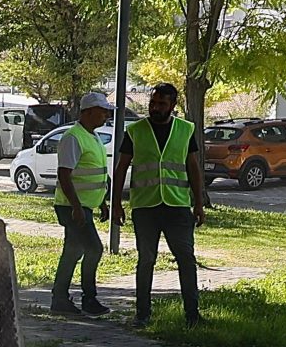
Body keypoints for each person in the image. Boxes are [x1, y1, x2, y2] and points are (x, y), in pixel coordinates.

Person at [111, 81, 204, 326]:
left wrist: (199, 202)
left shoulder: (185, 129)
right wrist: (116, 203)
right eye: (152, 102)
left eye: (161, 103)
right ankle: (142, 314)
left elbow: (193, 167)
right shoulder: (135, 130)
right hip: (145, 207)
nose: (155, 107)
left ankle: (192, 315)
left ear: (173, 105)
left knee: (186, 259)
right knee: (146, 260)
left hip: (177, 206)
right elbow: (121, 168)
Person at [49, 90, 114, 318]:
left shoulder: (92, 136)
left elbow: (95, 173)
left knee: (74, 251)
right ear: (88, 112)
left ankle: (60, 298)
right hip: (72, 207)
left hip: (84, 206)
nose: (106, 115)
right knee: (94, 248)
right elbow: (64, 175)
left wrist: (102, 202)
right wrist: (76, 207)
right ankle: (88, 298)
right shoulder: (73, 138)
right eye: (102, 111)